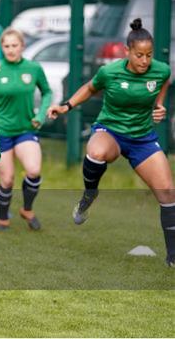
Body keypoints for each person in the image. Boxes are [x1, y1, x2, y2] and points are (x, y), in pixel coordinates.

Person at [48, 18, 174, 267]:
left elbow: (163, 88)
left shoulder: (161, 70)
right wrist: (66, 106)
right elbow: (89, 88)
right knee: (96, 151)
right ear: (127, 51)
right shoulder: (110, 72)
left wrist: (159, 107)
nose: (144, 61)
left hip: (143, 138)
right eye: (139, 55)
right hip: (111, 131)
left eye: (148, 55)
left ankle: (173, 257)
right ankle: (90, 194)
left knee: (169, 194)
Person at [0, 28, 52, 231]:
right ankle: (2, 217)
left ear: (22, 46)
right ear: (2, 47)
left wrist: (40, 115)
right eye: (6, 46)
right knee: (7, 179)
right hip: (1, 131)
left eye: (14, 45)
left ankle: (27, 209)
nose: (10, 49)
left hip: (26, 129)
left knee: (33, 170)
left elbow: (47, 92)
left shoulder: (33, 68)